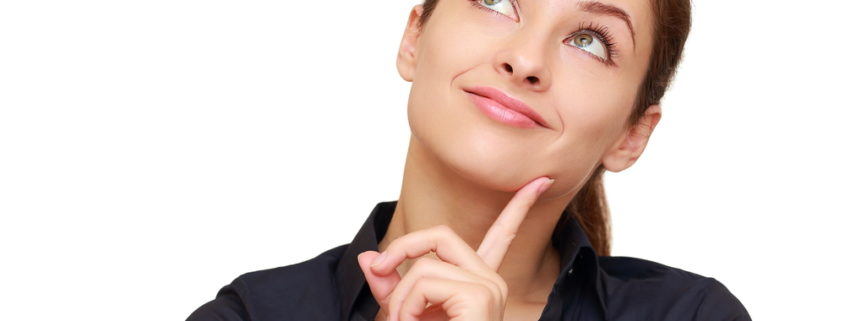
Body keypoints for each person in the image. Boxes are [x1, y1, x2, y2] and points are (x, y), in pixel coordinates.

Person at [187, 0, 751, 320]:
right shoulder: (253, 317)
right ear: (415, 38)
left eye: (588, 40)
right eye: (497, 0)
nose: (525, 60)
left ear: (630, 135)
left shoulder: (689, 317)